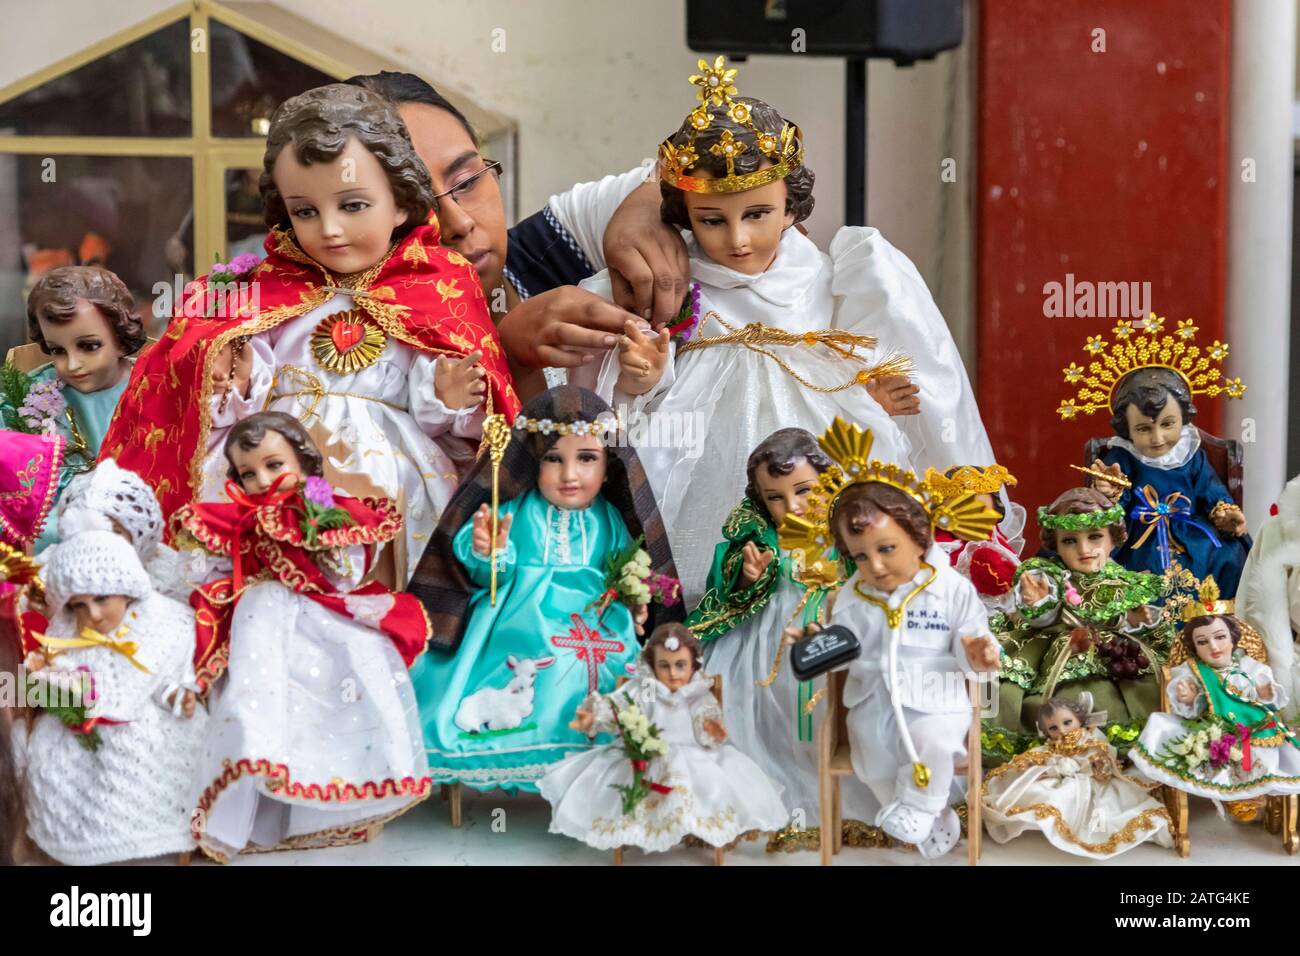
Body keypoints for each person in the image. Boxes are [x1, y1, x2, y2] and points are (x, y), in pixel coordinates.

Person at [345, 71, 692, 397]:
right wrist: (511, 357)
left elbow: (726, 139)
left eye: (467, 181)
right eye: (411, 204)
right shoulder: (377, 369)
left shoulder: (556, 243)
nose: (458, 223)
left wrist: (652, 197)